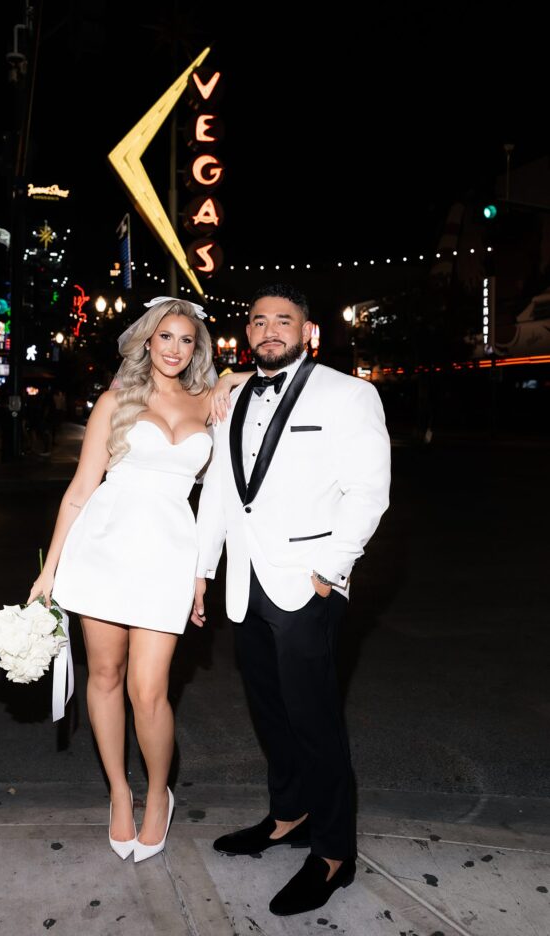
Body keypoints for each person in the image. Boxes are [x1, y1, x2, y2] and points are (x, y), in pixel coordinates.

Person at [192, 282, 391, 917]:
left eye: (284, 320)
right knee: (269, 710)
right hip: (247, 585)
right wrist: (203, 571)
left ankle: (334, 853)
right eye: (258, 321)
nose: (269, 329)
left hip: (309, 583)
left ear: (308, 332)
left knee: (315, 719)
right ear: (246, 334)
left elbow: (369, 492)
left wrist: (328, 570)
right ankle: (288, 815)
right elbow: (223, 494)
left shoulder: (349, 394)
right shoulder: (231, 397)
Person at [27, 296, 224, 862]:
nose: (174, 348)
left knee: (149, 690)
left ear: (197, 349)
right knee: (106, 676)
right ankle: (118, 790)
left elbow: (217, 499)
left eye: (187, 340)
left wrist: (201, 573)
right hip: (104, 549)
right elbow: (82, 489)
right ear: (146, 340)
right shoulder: (115, 401)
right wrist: (50, 570)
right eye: (166, 336)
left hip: (169, 556)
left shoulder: (212, 402)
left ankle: (159, 793)